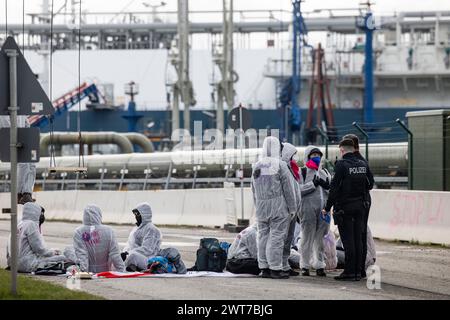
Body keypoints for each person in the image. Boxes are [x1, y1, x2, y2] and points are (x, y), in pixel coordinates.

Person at [323, 138, 370, 281]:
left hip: (345, 208)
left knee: (348, 240)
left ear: (342, 150)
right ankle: (357, 271)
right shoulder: (363, 164)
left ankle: (349, 272)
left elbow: (334, 189)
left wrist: (327, 207)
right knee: (358, 240)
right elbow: (369, 184)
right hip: (360, 206)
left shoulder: (341, 165)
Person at [251, 136, 297, 279]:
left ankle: (264, 267)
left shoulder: (256, 166)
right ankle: (276, 268)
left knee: (262, 237)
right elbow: (288, 189)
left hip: (261, 207)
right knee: (277, 237)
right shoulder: (280, 165)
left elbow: (253, 189)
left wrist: (257, 205)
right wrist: (292, 208)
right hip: (278, 207)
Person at [121, 202, 187, 274]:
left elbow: (147, 250)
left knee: (132, 257)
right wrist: (123, 253)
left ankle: (136, 266)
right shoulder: (137, 229)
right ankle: (133, 266)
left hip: (149, 258)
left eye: (137, 214)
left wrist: (128, 253)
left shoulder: (151, 229)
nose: (135, 216)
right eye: (135, 214)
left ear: (144, 214)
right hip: (137, 255)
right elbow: (130, 245)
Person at [342, 134, 374, 278]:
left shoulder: (351, 162)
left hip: (356, 201)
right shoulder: (363, 161)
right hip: (364, 200)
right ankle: (359, 268)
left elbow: (369, 184)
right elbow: (371, 183)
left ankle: (357, 268)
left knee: (357, 235)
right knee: (361, 234)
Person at [298, 146, 331, 277]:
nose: (316, 157)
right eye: (313, 155)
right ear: (307, 156)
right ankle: (305, 266)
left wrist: (326, 186)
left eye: (318, 154)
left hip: (323, 210)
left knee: (320, 240)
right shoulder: (303, 172)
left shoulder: (326, 172)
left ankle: (319, 265)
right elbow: (297, 190)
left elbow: (331, 191)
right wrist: (313, 185)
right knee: (307, 238)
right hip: (307, 209)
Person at [6, 202, 66, 272]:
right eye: (41, 213)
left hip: (13, 263)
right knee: (63, 257)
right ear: (35, 212)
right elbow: (39, 249)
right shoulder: (31, 225)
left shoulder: (20, 224)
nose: (42, 216)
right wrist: (53, 253)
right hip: (27, 264)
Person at [64, 205, 125, 273]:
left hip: (88, 270)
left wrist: (84, 272)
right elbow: (115, 254)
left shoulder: (79, 231)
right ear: (99, 215)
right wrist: (122, 271)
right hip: (105, 269)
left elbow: (82, 255)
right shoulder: (109, 231)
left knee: (68, 249)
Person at [0, 116, 36, 204]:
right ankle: (19, 193)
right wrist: (15, 139)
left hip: (21, 140)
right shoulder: (4, 106)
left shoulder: (21, 108)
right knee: (23, 163)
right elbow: (4, 124)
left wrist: (28, 136)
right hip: (9, 140)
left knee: (32, 163)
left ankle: (27, 193)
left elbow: (26, 123)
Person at [280, 142, 302, 276]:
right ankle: (280, 265)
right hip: (285, 210)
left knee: (289, 239)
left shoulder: (293, 170)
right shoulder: (283, 170)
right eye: (292, 156)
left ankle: (285, 264)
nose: (294, 159)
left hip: (293, 210)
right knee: (282, 239)